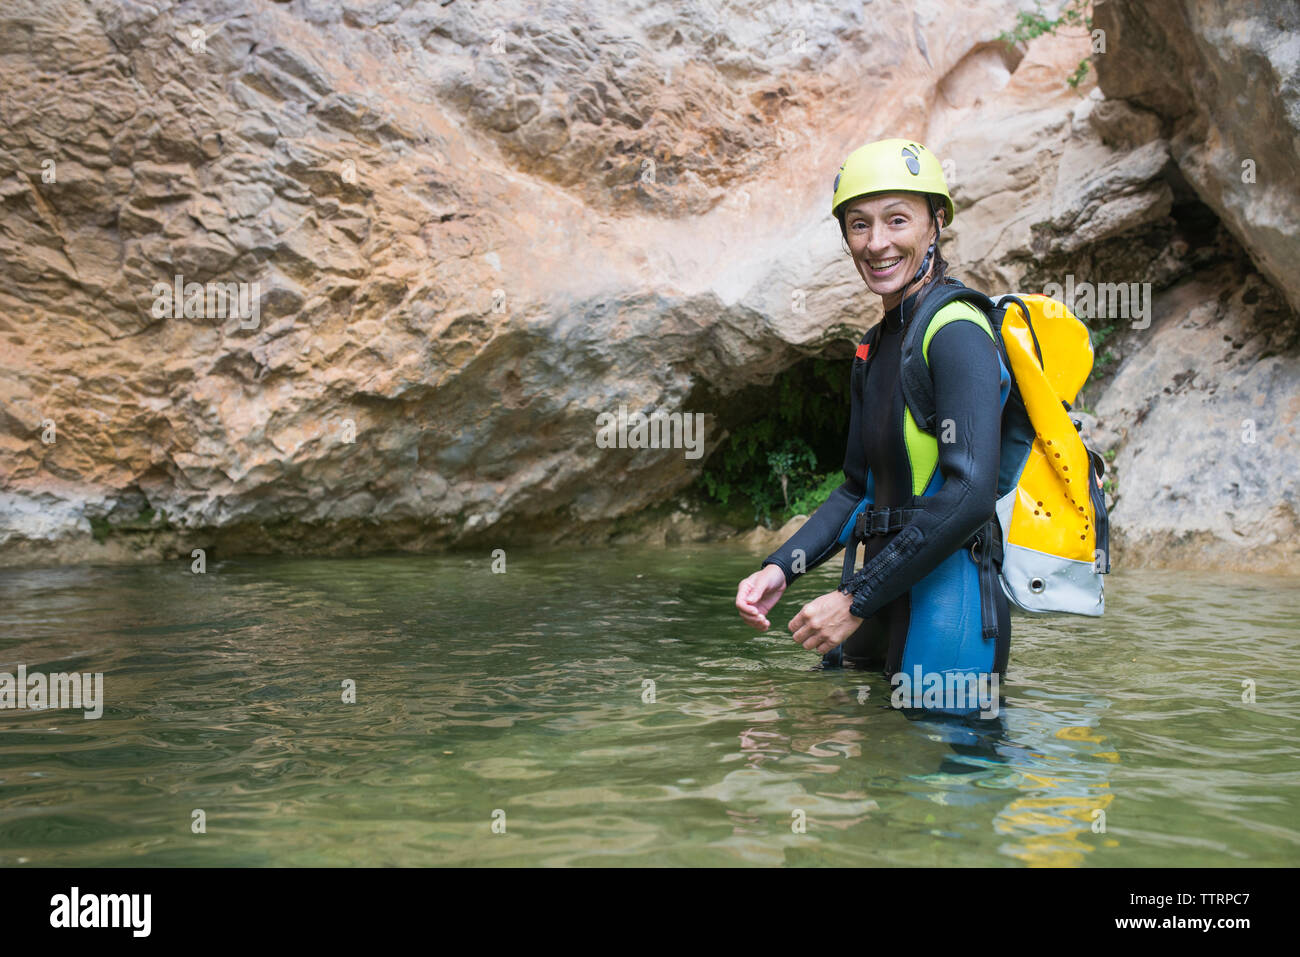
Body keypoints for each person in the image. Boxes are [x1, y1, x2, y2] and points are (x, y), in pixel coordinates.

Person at [734, 138, 1010, 698]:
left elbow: (971, 494)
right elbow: (858, 489)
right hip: (876, 599)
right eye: (858, 225)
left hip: (946, 606)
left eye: (897, 220)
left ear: (935, 224)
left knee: (944, 772)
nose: (876, 242)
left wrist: (856, 599)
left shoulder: (957, 331)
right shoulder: (873, 349)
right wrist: (781, 568)